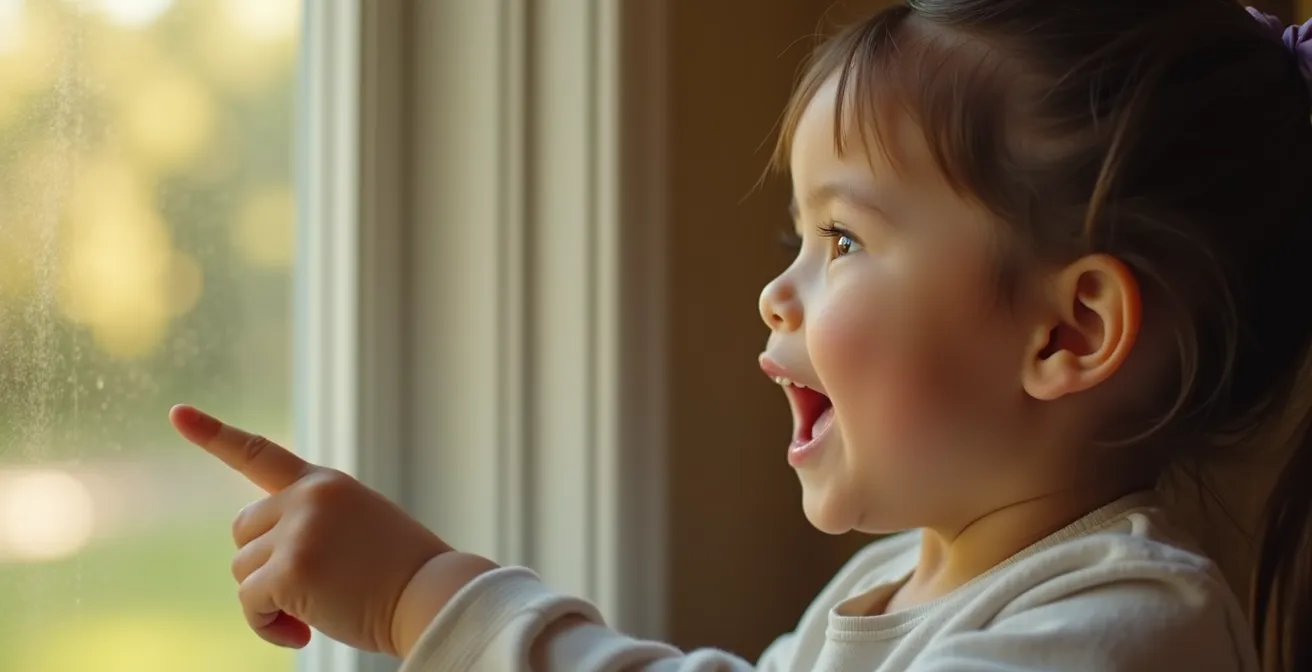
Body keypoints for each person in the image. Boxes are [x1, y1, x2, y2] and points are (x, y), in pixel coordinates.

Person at [169, 1, 1312, 670]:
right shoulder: (885, 587)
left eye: (845, 241)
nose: (778, 291)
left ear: (1068, 331)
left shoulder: (1122, 631)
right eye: (795, 234)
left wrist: (426, 597)